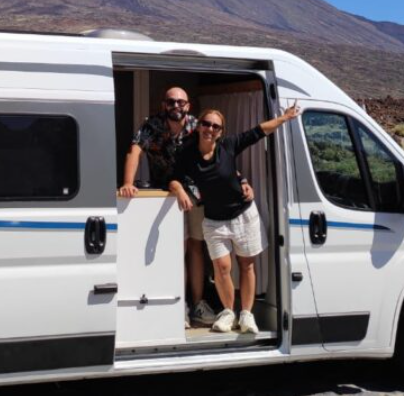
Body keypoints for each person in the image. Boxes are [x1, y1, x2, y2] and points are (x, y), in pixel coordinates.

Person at [169, 103, 301, 334]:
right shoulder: (188, 154)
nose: (210, 129)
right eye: (206, 124)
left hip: (243, 215)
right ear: (198, 126)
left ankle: (246, 314)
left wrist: (284, 118)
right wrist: (179, 191)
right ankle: (229, 312)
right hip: (214, 220)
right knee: (222, 268)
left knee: (246, 265)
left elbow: (258, 132)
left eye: (216, 126)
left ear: (221, 132)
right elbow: (173, 178)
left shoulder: (228, 146)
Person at [119, 87, 221, 326]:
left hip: (194, 194)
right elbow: (134, 152)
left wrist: (240, 180)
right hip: (164, 197)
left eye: (181, 102)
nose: (176, 106)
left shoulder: (197, 125)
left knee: (195, 247)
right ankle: (179, 305)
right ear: (164, 105)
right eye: (171, 102)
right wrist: (128, 183)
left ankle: (197, 305)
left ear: (188, 106)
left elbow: (218, 152)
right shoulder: (152, 126)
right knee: (174, 250)